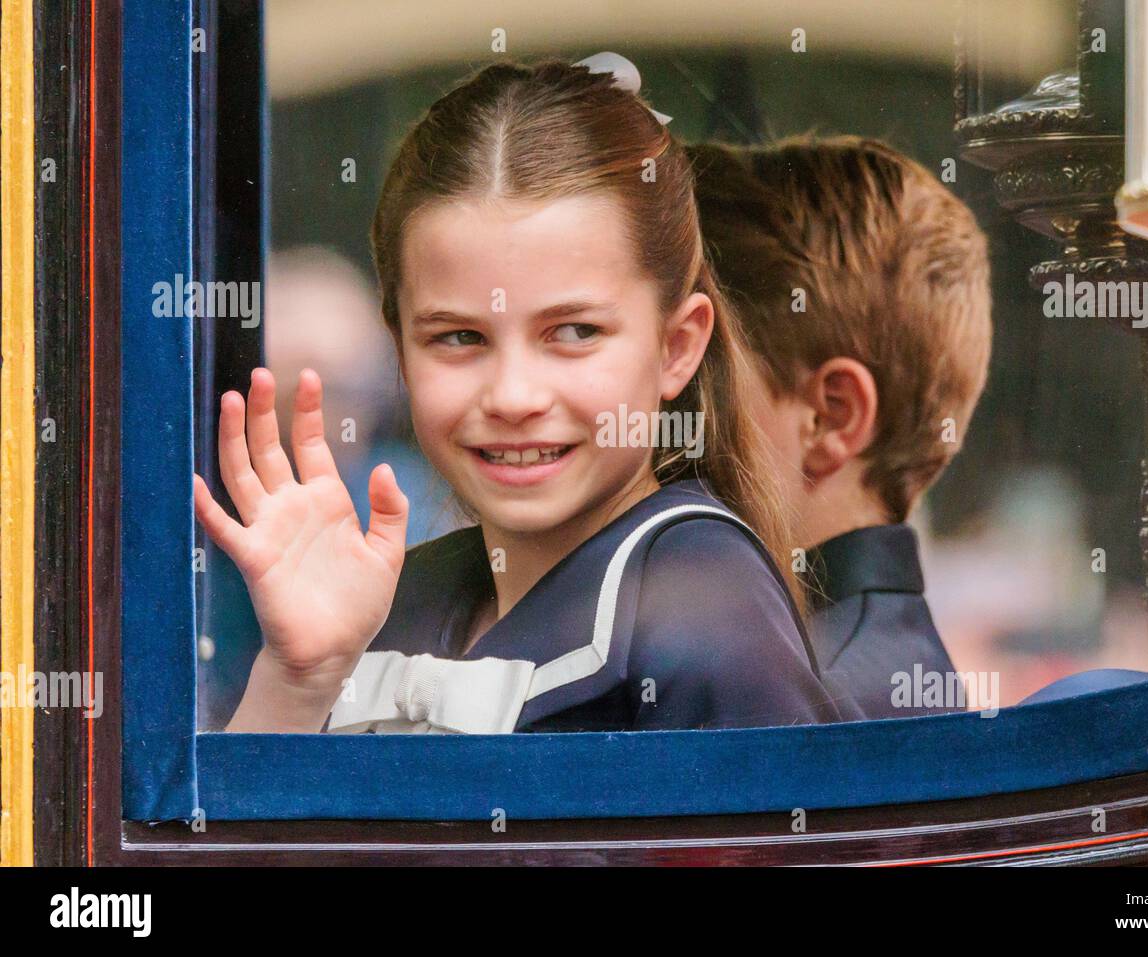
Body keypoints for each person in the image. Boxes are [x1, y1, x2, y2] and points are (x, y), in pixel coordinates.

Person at [193, 55, 842, 734]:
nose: (512, 395)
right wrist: (299, 678)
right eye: (459, 338)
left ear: (677, 348)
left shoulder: (708, 614)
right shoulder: (392, 599)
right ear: (401, 355)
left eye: (573, 331)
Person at [689, 136, 993, 719]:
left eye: (702, 367)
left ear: (830, 417)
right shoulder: (863, 665)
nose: (660, 405)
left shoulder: (795, 702)